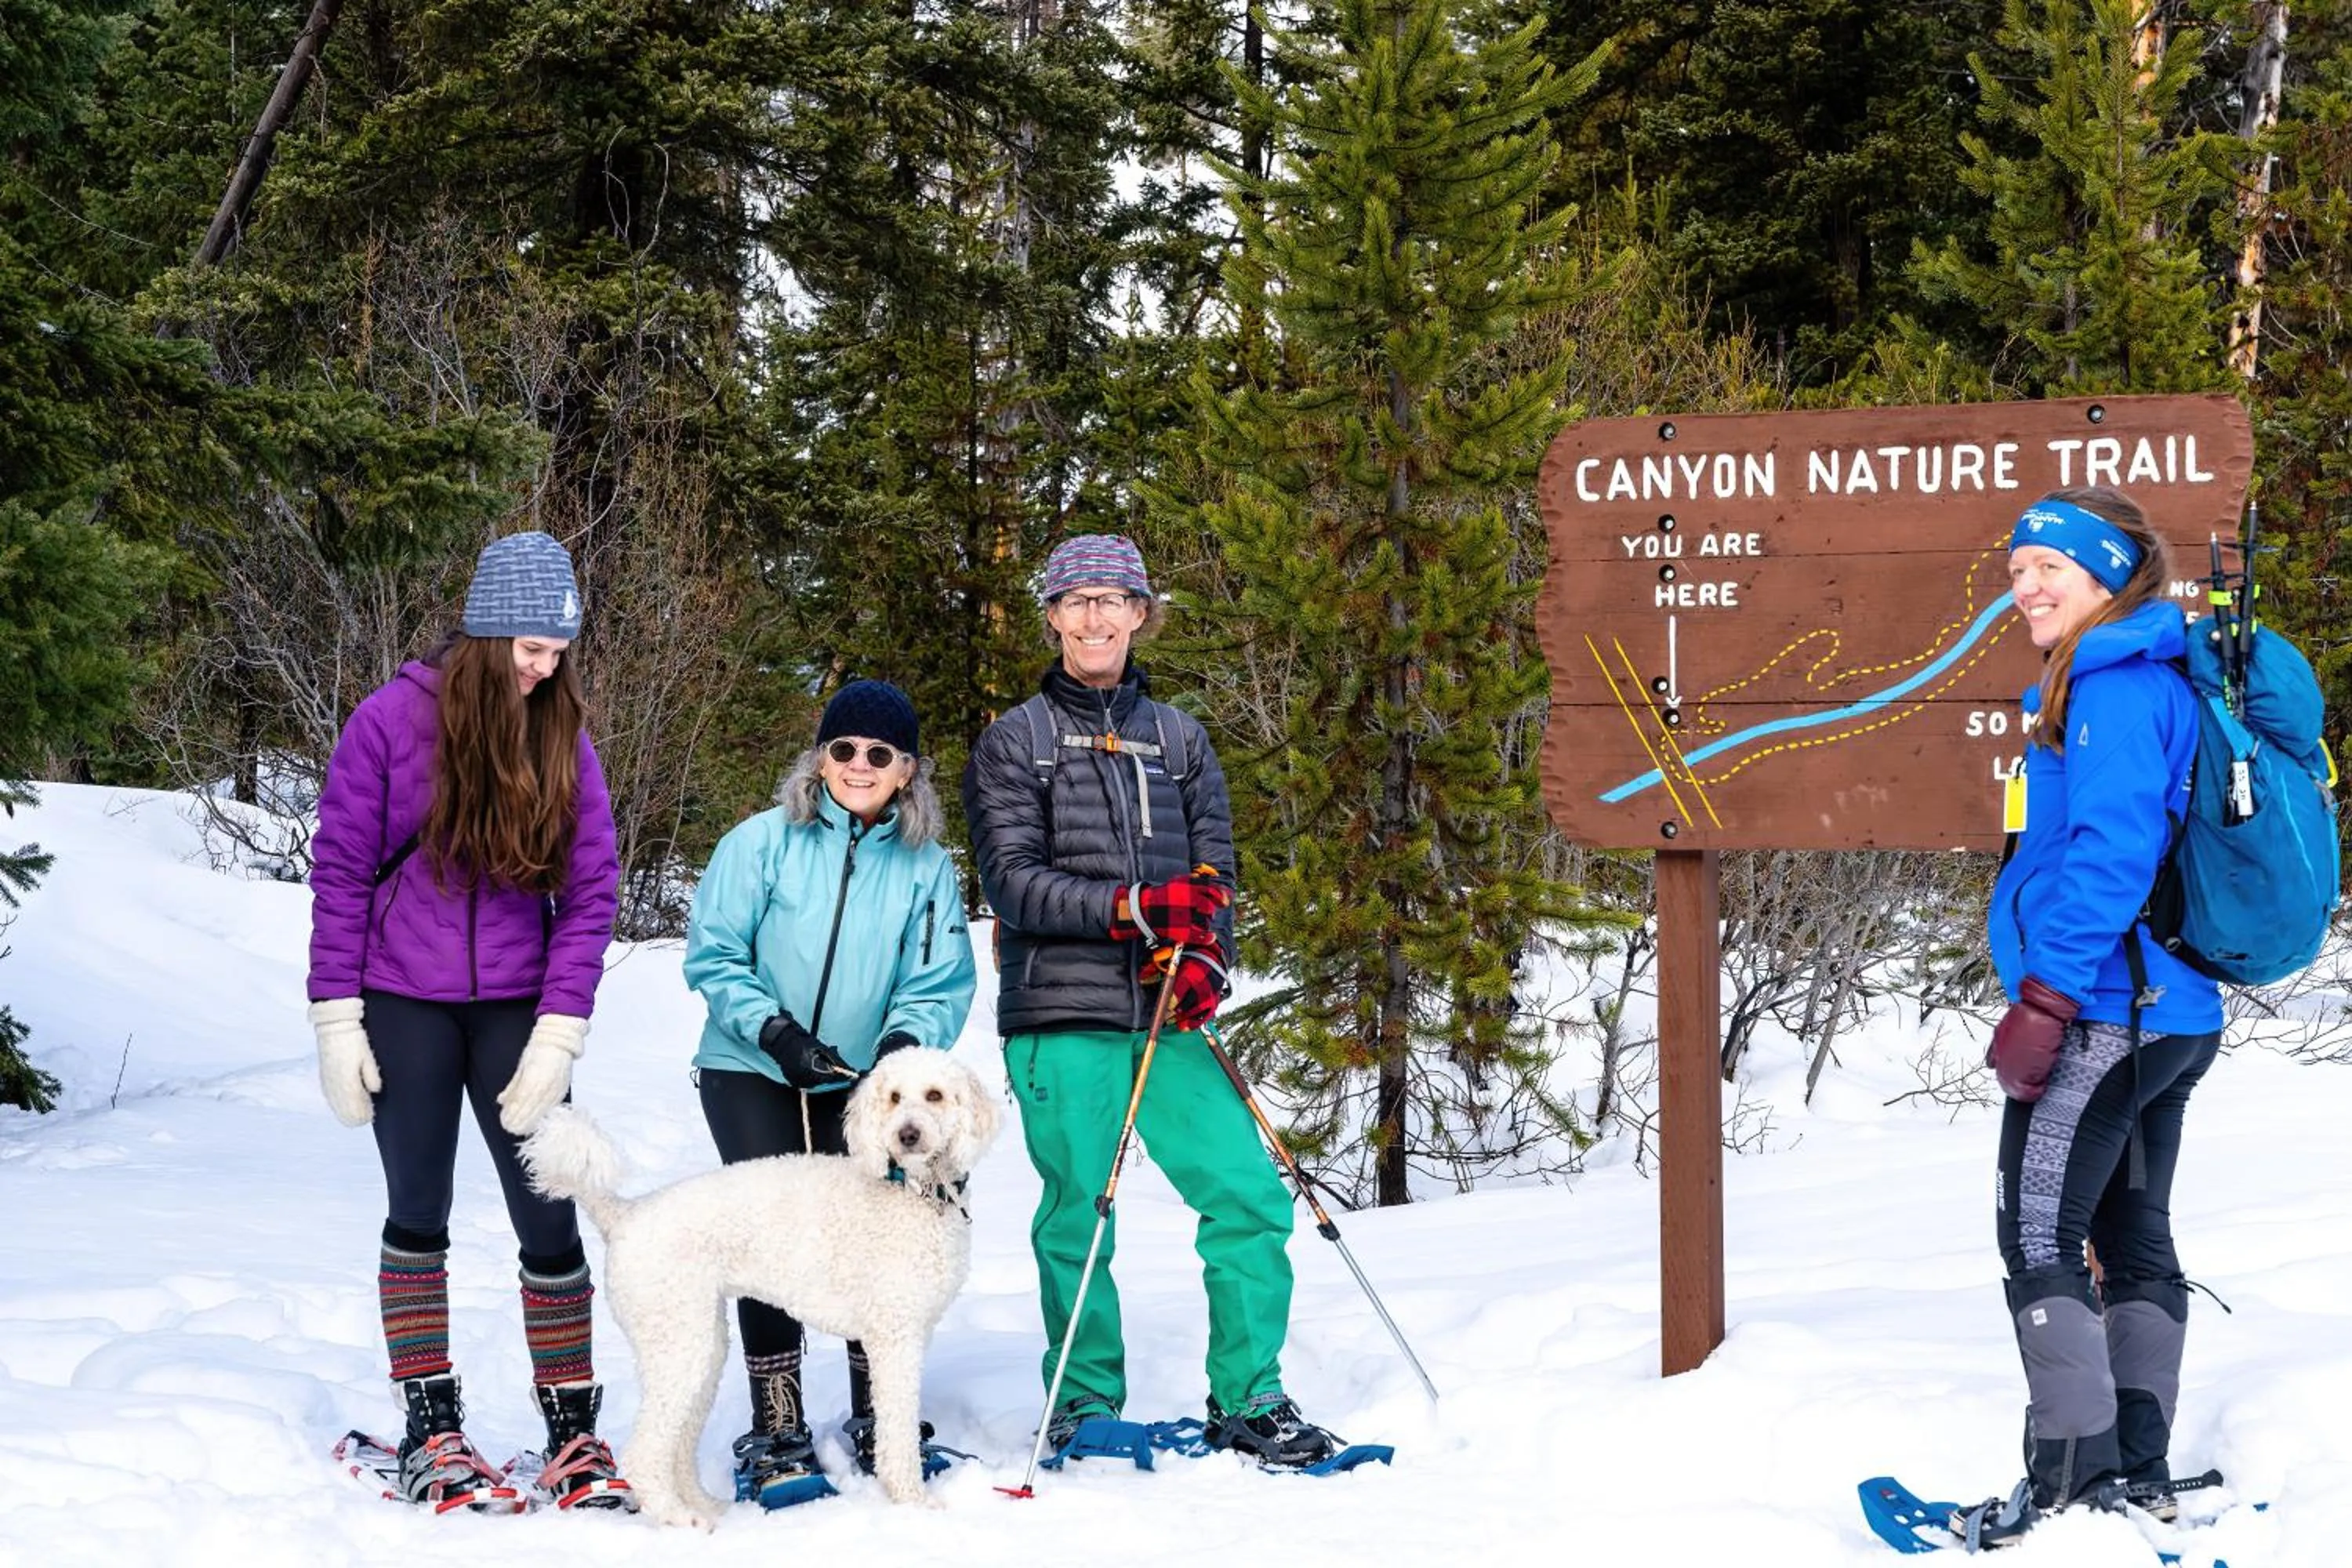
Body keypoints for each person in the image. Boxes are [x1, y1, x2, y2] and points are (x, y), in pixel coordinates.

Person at [960, 534, 1339, 1468]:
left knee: (1249, 1195)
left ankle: (1249, 1394)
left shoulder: (1180, 737)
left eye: (1113, 598)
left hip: (1168, 1013)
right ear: (1051, 616)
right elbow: (1013, 883)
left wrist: (1211, 956)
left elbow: (1217, 876)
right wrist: (1134, 907)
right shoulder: (1017, 739)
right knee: (1082, 1210)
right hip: (1062, 1013)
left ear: (1140, 613)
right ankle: (1084, 1398)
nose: (1095, 616)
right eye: (1076, 599)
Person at [307, 530, 630, 1511]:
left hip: (517, 1008)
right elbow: (342, 873)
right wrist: (335, 1015)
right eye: (532, 649)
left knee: (548, 1211)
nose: (547, 668)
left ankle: (572, 1428)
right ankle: (431, 1423)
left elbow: (591, 887)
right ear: (486, 636)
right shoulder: (387, 723)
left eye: (559, 651)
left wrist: (561, 1026)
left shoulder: (559, 734)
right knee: (419, 1208)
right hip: (404, 997)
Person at [1958, 488, 2226, 1547]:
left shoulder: (2113, 686)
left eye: (2049, 568)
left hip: (2107, 1012)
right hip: (2170, 1012)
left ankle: (2070, 1483)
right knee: (2130, 1234)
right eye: (2018, 567)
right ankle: (2135, 1469)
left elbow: (2112, 853)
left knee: (2038, 1231)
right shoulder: (2148, 675)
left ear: (2107, 576)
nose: (2025, 585)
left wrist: (2047, 998)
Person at [681, 679, 977, 1503]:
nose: (857, 764)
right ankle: (777, 1425)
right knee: (772, 1237)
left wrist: (891, 1057)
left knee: (877, 1235)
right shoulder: (761, 842)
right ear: (822, 756)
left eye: (878, 754)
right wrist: (776, 1032)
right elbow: (714, 952)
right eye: (843, 748)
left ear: (906, 770)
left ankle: (879, 1417)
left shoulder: (926, 870)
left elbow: (940, 977)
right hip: (754, 1065)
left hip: (866, 1087)